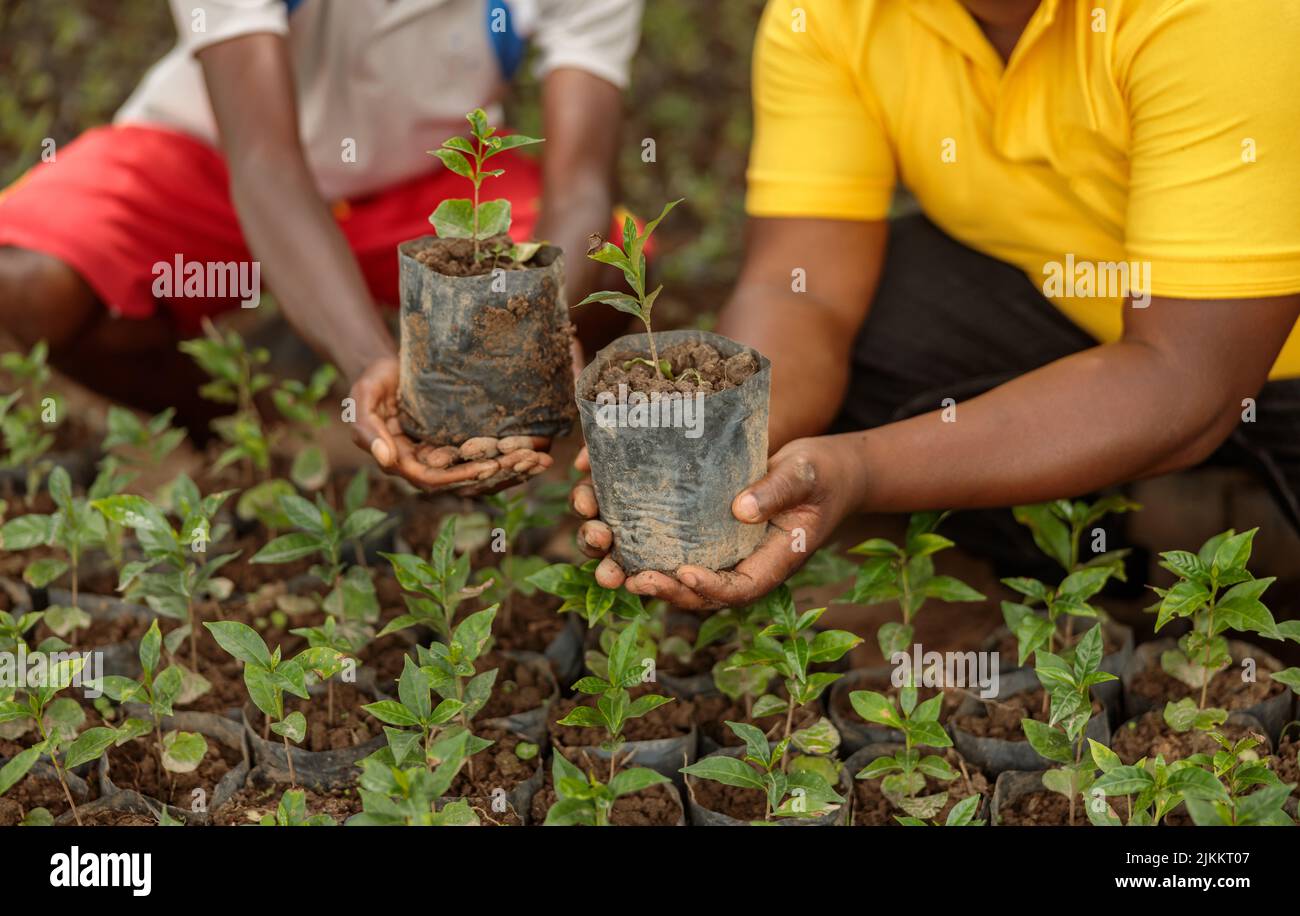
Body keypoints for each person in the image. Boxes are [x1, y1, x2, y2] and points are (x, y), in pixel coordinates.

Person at [573, 0, 1300, 609]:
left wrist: (859, 470)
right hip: (1089, 308)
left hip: (1249, 354)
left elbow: (1189, 377)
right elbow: (804, 289)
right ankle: (1105, 584)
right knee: (880, 319)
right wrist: (725, 452)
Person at [0, 0, 643, 493]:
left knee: (613, 258)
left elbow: (580, 185)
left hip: (424, 178)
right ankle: (245, 427)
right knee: (26, 280)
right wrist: (369, 358)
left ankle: (511, 445)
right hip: (217, 162)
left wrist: (532, 329)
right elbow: (265, 163)